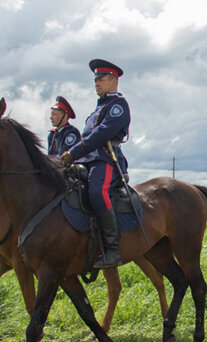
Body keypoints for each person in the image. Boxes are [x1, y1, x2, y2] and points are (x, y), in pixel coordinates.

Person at [60, 59, 131, 269]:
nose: (96, 83)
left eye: (101, 79)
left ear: (113, 80)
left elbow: (102, 134)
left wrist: (73, 152)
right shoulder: (97, 109)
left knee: (97, 191)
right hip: (87, 159)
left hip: (106, 159)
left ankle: (112, 249)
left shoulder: (118, 105)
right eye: (95, 80)